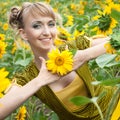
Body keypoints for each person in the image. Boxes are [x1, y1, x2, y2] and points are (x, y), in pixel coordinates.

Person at [0, 2, 119, 120]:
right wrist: (40, 81)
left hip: (116, 105)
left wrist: (84, 55)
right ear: (24, 33)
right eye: (37, 26)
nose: (47, 32)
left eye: (51, 24)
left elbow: (115, 41)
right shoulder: (28, 76)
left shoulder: (72, 47)